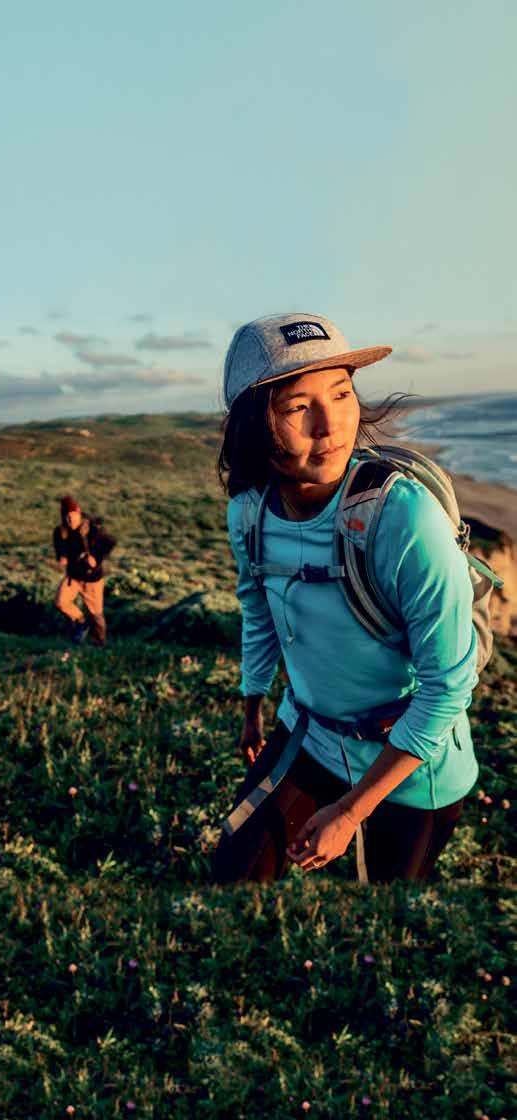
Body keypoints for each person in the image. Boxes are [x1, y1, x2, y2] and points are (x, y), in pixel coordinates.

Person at [212, 313, 479, 884]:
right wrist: (253, 707)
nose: (330, 425)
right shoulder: (249, 513)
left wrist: (351, 811)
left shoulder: (404, 518)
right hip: (308, 732)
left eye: (341, 393)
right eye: (297, 406)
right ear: (253, 426)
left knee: (384, 911)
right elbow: (257, 609)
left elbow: (448, 686)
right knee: (234, 873)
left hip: (413, 766)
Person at [53, 495, 116, 646]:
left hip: (92, 579)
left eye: (72, 516)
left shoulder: (92, 529)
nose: (70, 520)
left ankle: (100, 645)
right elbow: (60, 548)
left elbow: (110, 542)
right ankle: (80, 622)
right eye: (66, 517)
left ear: (78, 513)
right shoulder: (61, 531)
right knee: (61, 602)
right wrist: (62, 557)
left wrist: (96, 558)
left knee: (96, 615)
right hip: (73, 577)